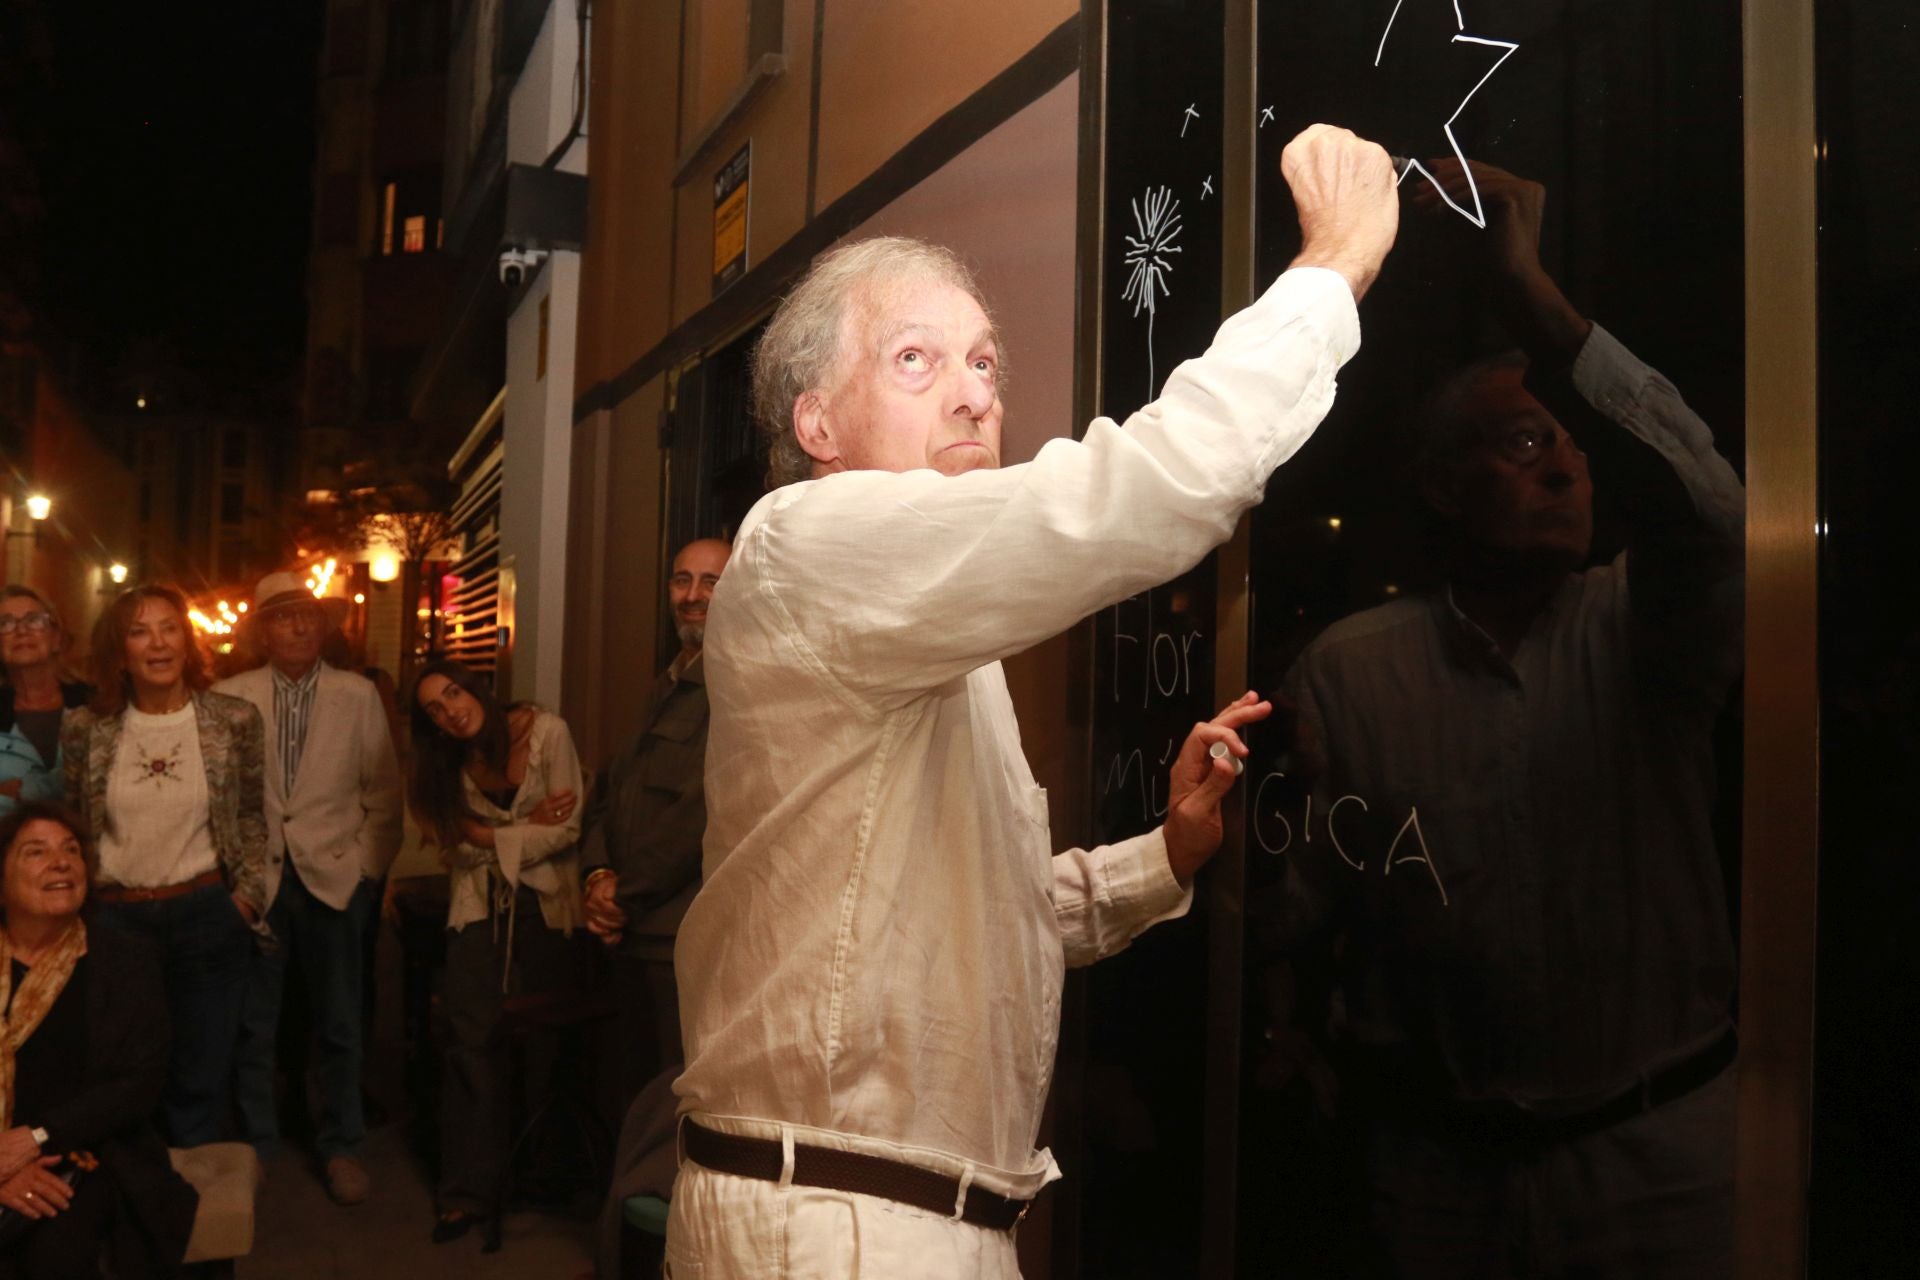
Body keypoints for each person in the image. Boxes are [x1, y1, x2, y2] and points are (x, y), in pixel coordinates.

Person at [664, 124, 1399, 1277]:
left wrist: (1163, 852)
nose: (970, 396)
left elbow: (988, 911)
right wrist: (1339, 259)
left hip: (902, 1218)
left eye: (986, 364)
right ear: (816, 426)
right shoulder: (806, 541)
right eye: (917, 361)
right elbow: (1164, 483)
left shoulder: (921, 638)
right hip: (837, 1231)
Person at [1261, 161, 1744, 1278]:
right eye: (1525, 444)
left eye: (1571, 443)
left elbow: (1713, 509)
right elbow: (1301, 904)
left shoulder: (1644, 628)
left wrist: (1532, 294)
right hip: (1438, 1167)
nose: (1568, 467)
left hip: (1657, 1150)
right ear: (1441, 485)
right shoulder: (1354, 669)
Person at [214, 573, 403, 1206]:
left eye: (306, 617)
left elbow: (384, 795)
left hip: (336, 879)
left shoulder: (358, 695)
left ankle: (342, 1144)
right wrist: (234, 878)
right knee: (253, 1024)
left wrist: (367, 874)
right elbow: (219, 800)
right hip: (259, 883)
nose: (296, 627)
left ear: (323, 627)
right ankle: (258, 1145)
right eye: (281, 617)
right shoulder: (229, 695)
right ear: (261, 630)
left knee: (341, 1024)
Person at [61, 584, 272, 1148]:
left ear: (187, 639)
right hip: (115, 920)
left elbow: (252, 818)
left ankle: (191, 1213)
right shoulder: (86, 727)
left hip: (206, 912)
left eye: (168, 627)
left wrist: (246, 899)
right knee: (121, 1068)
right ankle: (134, 1207)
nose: (157, 643)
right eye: (138, 630)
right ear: (119, 651)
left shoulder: (233, 720)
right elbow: (76, 824)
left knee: (200, 1074)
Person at [406, 659, 584, 1245]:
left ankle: (545, 1177)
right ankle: (467, 1192)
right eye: (434, 708)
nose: (450, 710)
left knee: (547, 1044)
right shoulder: (442, 765)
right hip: (477, 910)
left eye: (453, 693)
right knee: (470, 1045)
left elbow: (567, 828)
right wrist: (514, 830)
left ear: (477, 689)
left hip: (548, 907)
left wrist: (489, 836)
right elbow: (452, 846)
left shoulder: (546, 732)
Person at [0, 802, 200, 1279]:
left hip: (85, 1153)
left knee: (53, 1258)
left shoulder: (123, 961)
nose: (61, 861)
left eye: (71, 850)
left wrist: (34, 1139)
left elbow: (138, 1084)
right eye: (36, 852)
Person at [582, 537, 730, 1107]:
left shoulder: (733, 685)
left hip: (678, 935)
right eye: (681, 580)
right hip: (631, 931)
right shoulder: (664, 685)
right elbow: (610, 791)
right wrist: (596, 875)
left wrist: (625, 892)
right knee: (633, 1098)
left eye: (711, 582)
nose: (692, 596)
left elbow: (700, 812)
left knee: (674, 1104)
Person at [0, 588, 91, 816]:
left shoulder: (97, 704)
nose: (21, 630)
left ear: (57, 639)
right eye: (6, 624)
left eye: (34, 621)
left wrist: (27, 791)